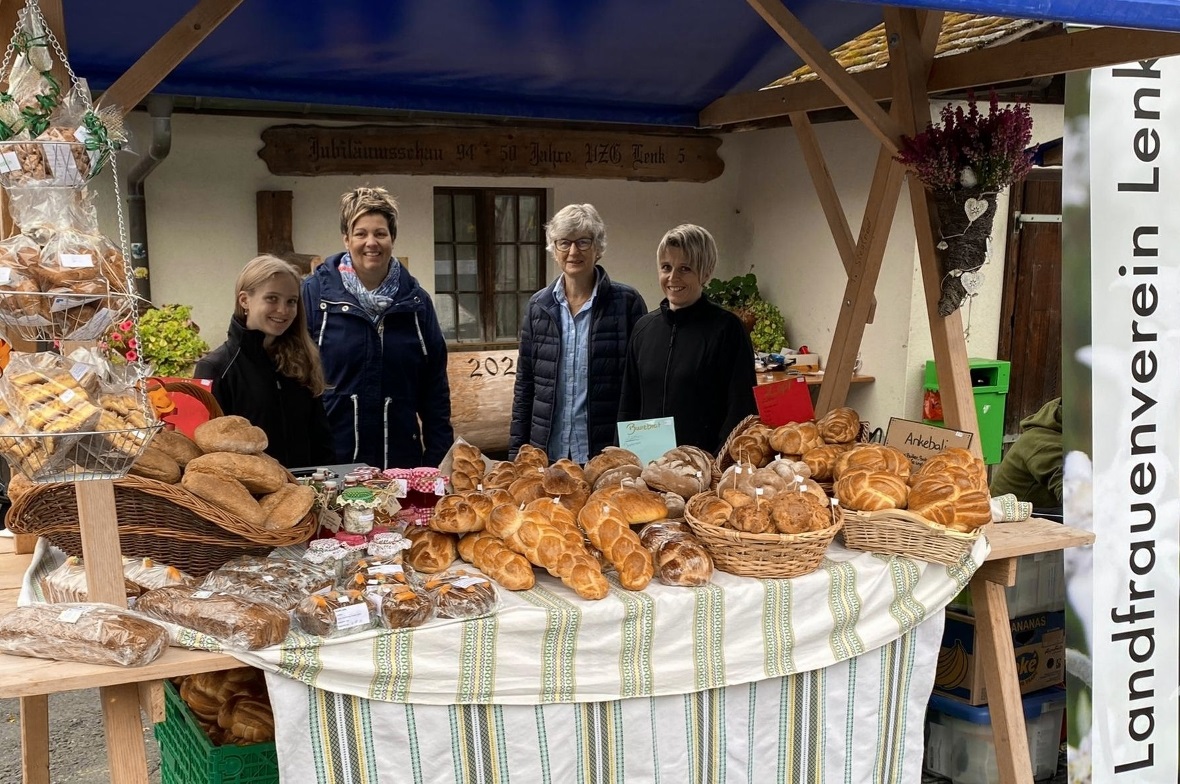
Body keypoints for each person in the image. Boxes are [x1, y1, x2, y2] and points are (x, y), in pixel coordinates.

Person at [302, 186, 453, 469]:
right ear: (346, 239)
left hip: (399, 463)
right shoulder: (314, 297)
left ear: (392, 238)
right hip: (332, 462)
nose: (371, 242)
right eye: (361, 233)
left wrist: (437, 461)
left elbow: (434, 392)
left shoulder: (417, 304)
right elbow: (295, 381)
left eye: (380, 233)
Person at [510, 204, 647, 462]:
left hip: (606, 457)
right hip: (548, 455)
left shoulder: (627, 303)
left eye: (583, 242)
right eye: (564, 242)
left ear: (598, 248)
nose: (573, 251)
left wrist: (634, 453)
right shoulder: (539, 307)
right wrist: (516, 454)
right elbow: (525, 386)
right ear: (554, 248)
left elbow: (640, 385)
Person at [618, 223, 757, 454]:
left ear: (706, 271)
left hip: (704, 470)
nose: (673, 277)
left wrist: (716, 465)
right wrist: (624, 458)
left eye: (685, 268)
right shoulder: (644, 329)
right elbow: (628, 404)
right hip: (648, 468)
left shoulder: (727, 330)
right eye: (666, 267)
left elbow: (741, 409)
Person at [194, 254, 334, 468]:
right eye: (272, 298)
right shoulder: (216, 368)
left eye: (291, 301)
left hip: (304, 492)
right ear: (244, 300)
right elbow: (205, 454)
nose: (283, 310)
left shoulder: (302, 360)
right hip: (247, 496)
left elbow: (321, 443)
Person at [989, 397, 1063, 512]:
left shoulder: (1066, 434)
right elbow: (1078, 500)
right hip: (1010, 522)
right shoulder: (1044, 443)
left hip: (1039, 513)